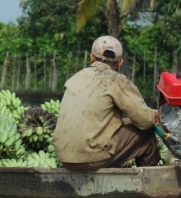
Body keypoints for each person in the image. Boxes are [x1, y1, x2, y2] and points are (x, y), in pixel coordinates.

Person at [52, 35, 161, 172]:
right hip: (90, 158)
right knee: (147, 133)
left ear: (91, 57)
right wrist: (157, 115)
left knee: (126, 123)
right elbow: (144, 120)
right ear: (119, 63)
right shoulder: (116, 80)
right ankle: (149, 182)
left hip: (64, 157)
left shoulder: (73, 79)